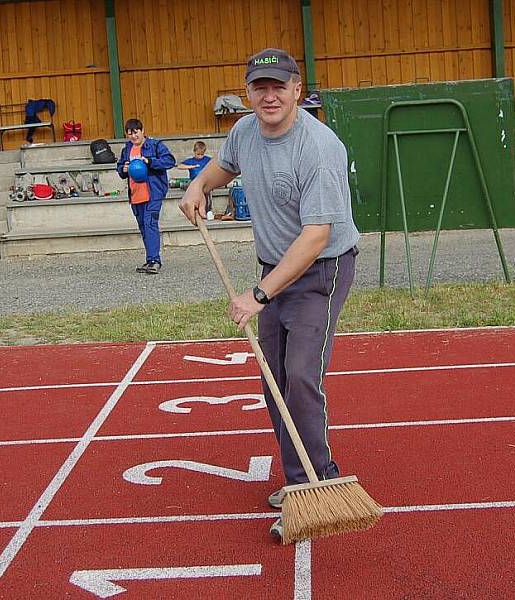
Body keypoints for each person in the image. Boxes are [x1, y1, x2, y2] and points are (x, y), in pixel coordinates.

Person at [179, 48, 360, 540]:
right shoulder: (244, 131)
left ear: (298, 90)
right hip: (275, 270)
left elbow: (317, 236)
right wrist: (200, 186)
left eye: (279, 86)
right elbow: (224, 165)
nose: (270, 95)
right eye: (260, 87)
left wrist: (257, 294)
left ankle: (315, 480)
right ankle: (301, 476)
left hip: (319, 272)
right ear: (249, 93)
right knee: (274, 378)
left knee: (301, 375)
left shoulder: (318, 148)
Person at [116, 118, 176, 274]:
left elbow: (169, 161)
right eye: (130, 134)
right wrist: (123, 168)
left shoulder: (155, 145)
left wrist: (149, 161)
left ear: (142, 131)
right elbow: (120, 168)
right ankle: (150, 259)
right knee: (143, 226)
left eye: (136, 132)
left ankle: (155, 260)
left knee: (150, 224)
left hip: (153, 193)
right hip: (135, 195)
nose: (133, 136)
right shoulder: (127, 149)